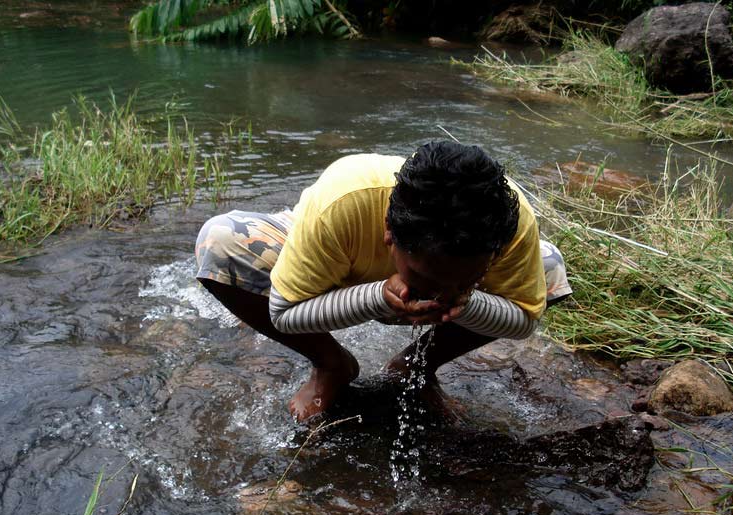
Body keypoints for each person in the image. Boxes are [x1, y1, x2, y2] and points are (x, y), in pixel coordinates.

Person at [195, 141, 571, 421]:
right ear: (388, 231)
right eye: (427, 278)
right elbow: (284, 312)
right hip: (340, 262)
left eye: (467, 278)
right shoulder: (341, 201)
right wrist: (377, 296)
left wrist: (468, 301)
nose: (441, 296)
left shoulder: (510, 223)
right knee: (219, 241)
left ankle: (415, 366)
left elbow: (525, 319)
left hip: (412, 261)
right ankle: (331, 364)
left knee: (550, 267)